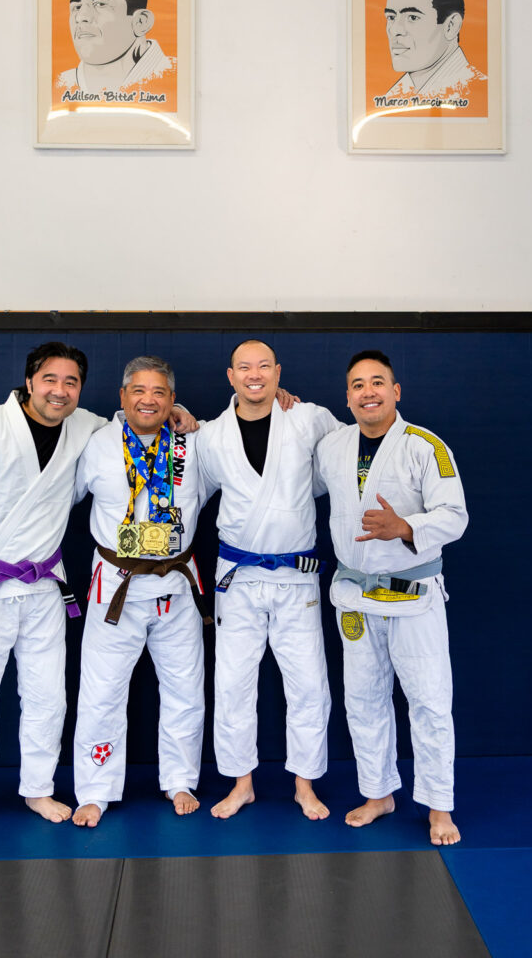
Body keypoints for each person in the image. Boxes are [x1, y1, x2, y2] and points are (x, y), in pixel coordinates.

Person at [0, 343, 196, 839]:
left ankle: (37, 788)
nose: (60, 390)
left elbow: (138, 419)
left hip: (47, 584)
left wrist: (176, 411)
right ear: (30, 381)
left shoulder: (85, 427)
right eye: (51, 379)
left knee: (49, 696)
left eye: (71, 382)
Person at [315, 350, 468, 846]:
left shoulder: (425, 446)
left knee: (428, 700)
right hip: (355, 595)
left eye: (377, 382)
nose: (368, 392)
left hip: (413, 597)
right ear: (347, 397)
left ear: (396, 391)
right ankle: (378, 792)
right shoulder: (333, 445)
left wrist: (406, 527)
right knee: (362, 701)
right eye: (357, 385)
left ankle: (439, 806)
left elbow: (455, 515)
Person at [197, 340, 342, 820]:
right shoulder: (210, 436)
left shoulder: (309, 419)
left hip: (297, 576)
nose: (254, 375)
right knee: (234, 684)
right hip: (237, 579)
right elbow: (189, 494)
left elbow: (339, 465)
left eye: (264, 366)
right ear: (230, 375)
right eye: (245, 367)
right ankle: (242, 783)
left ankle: (304, 783)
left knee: (308, 685)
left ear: (278, 373)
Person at [71, 356, 207, 828]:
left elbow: (241, 434)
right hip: (115, 588)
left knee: (185, 689)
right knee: (102, 692)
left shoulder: (194, 443)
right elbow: (56, 499)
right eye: (138, 391)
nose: (148, 400)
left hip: (175, 585)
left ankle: (180, 780)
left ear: (172, 399)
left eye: (159, 393)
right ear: (122, 395)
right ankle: (94, 789)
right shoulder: (96, 445)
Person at [56, 0, 174, 95]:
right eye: (77, 7)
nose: (81, 17)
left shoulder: (178, 78)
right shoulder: (60, 85)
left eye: (100, 4)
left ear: (141, 22)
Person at [383, 0, 486, 99]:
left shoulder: (478, 95)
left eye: (412, 17)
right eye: (391, 17)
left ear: (451, 26)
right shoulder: (392, 98)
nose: (394, 30)